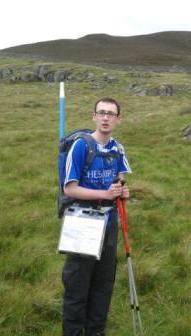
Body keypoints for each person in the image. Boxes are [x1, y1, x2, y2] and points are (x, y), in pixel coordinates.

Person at [62, 97, 132, 336]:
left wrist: (122, 190)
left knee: (103, 286)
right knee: (77, 287)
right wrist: (105, 193)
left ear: (118, 119)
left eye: (111, 114)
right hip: (83, 222)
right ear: (94, 116)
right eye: (101, 112)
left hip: (109, 223)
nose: (105, 118)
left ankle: (96, 332)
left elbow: (120, 178)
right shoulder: (81, 145)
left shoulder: (117, 148)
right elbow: (69, 188)